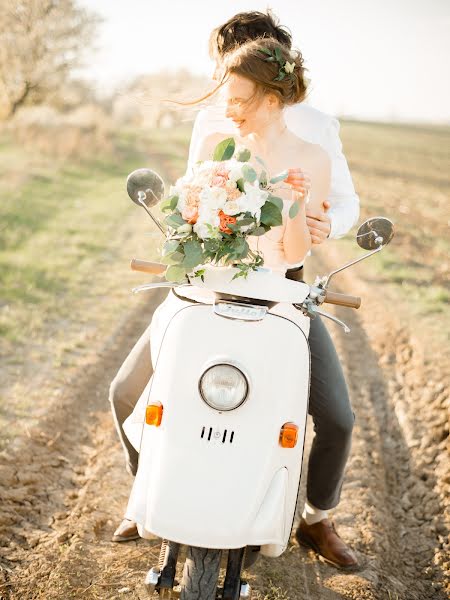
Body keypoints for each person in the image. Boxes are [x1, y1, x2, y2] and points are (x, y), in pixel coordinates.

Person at [110, 11, 359, 570]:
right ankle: (151, 490)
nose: (226, 91)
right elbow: (193, 193)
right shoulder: (215, 127)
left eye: (237, 80)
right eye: (224, 78)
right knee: (125, 392)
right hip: (209, 284)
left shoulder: (317, 130)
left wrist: (322, 224)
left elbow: (341, 206)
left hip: (281, 288)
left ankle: (315, 519)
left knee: (337, 418)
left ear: (270, 81)